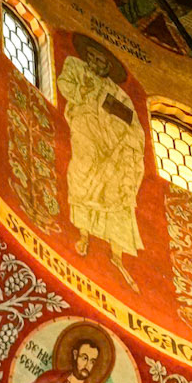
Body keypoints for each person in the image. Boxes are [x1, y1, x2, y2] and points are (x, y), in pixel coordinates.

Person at [57, 39, 146, 287]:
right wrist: (84, 93)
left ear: (108, 68)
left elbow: (132, 123)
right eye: (93, 58)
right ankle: (83, 234)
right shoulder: (76, 68)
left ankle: (116, 253)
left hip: (112, 144)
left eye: (102, 62)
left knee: (114, 189)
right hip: (85, 131)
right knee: (81, 172)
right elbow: (64, 84)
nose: (96, 64)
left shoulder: (118, 93)